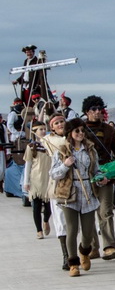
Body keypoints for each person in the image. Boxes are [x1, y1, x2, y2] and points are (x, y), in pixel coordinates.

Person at [50, 118, 104, 278]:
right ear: (70, 133)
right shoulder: (61, 151)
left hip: (88, 192)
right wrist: (65, 165)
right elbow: (53, 174)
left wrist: (101, 178)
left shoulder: (90, 150)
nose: (80, 134)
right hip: (69, 193)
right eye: (77, 131)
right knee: (72, 230)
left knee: (88, 232)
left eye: (82, 130)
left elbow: (96, 170)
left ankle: (84, 251)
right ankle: (73, 263)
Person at [82, 95, 115, 260]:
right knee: (88, 213)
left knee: (106, 211)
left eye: (100, 108)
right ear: (87, 111)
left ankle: (109, 247)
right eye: (93, 109)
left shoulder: (109, 129)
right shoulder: (81, 130)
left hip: (106, 176)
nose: (97, 112)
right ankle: (93, 247)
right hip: (86, 177)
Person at [42, 112, 71, 269]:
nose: (60, 124)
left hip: (75, 184)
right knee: (60, 220)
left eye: (62, 121)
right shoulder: (47, 140)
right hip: (58, 183)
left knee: (75, 222)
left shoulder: (73, 137)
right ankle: (66, 256)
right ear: (51, 127)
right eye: (56, 123)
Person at [23, 121, 52, 239]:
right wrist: (26, 181)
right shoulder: (31, 147)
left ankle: (46, 220)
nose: (43, 131)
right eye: (40, 129)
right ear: (34, 132)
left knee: (49, 206)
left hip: (49, 178)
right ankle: (39, 230)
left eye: (44, 129)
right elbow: (28, 165)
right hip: (36, 179)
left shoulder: (50, 145)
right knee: (36, 205)